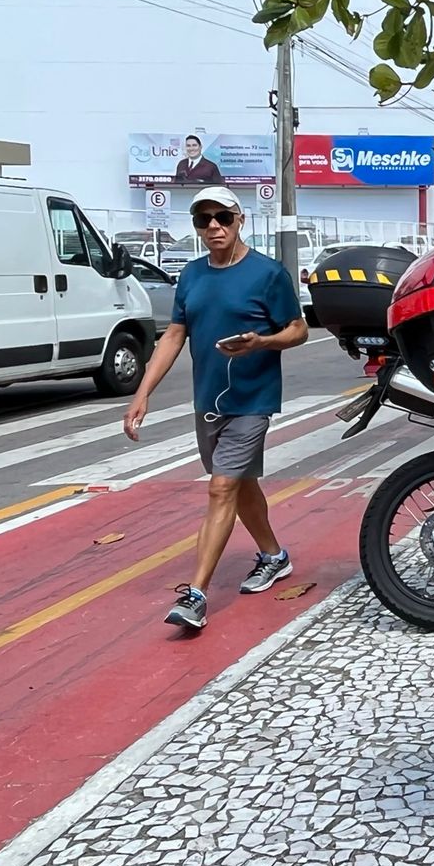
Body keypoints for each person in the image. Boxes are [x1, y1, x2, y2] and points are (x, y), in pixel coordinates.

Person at [123, 187, 308, 629]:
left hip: (252, 400)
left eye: (222, 217)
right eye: (203, 220)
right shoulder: (191, 276)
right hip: (209, 402)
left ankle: (196, 595)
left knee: (221, 488)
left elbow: (298, 329)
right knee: (239, 486)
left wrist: (262, 342)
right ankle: (274, 555)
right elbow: (173, 335)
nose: (213, 227)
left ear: (239, 219)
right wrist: (143, 392)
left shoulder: (268, 274)